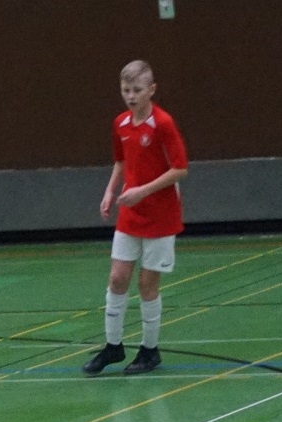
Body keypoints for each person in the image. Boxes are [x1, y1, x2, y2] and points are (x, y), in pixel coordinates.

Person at [83, 60, 189, 376]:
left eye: (137, 90)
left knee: (146, 284)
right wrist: (109, 191)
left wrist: (142, 191)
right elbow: (121, 161)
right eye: (126, 90)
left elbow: (180, 168)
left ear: (152, 90)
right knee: (117, 277)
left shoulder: (163, 123)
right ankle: (113, 346)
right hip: (131, 212)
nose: (131, 96)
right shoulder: (120, 123)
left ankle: (149, 350)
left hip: (160, 216)